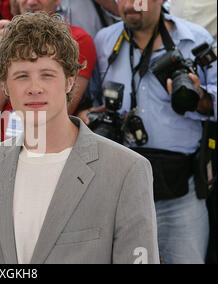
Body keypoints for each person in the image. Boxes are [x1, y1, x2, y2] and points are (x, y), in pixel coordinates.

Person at [0, 12, 159, 264]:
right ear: (5, 86)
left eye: (47, 75)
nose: (34, 87)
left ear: (70, 81)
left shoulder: (126, 170)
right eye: (22, 75)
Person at [89, 0, 217, 263]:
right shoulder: (104, 41)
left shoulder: (195, 40)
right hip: (121, 192)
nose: (129, 4)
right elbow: (91, 101)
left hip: (181, 194)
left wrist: (199, 97)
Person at [0, 0, 97, 142]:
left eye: (47, 75)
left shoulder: (78, 38)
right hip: (2, 142)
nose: (31, 2)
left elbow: (61, 110)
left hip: (49, 140)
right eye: (22, 76)